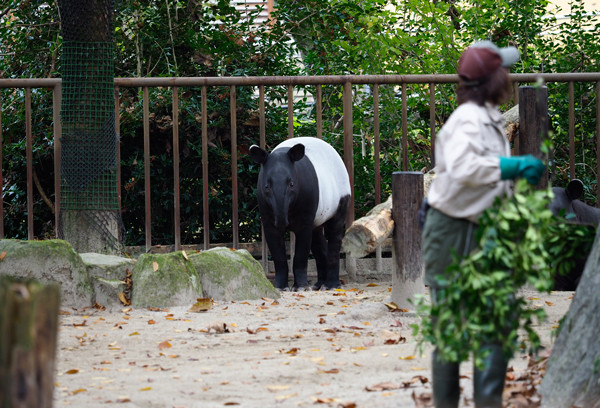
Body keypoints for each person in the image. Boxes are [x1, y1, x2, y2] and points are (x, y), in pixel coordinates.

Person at [422, 41, 545, 408]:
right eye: (503, 71)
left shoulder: (488, 116)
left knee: (497, 323)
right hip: (451, 231)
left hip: (483, 229)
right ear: (493, 79)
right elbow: (461, 169)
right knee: (452, 329)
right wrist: (510, 167)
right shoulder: (467, 120)